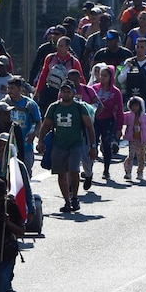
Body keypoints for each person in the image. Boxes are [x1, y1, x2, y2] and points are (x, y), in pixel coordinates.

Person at [35, 81, 97, 213]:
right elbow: (46, 125)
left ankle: (74, 197)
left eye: (68, 91)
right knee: (61, 174)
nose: (65, 93)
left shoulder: (80, 108)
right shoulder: (54, 107)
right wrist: (40, 141)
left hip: (75, 144)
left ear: (74, 93)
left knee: (74, 171)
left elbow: (89, 127)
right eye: (63, 91)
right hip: (58, 145)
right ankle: (67, 201)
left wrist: (93, 146)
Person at [34, 36, 83, 116]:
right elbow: (43, 75)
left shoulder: (74, 62)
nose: (59, 48)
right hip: (48, 91)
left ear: (67, 47)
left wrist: (81, 93)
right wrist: (38, 91)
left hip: (65, 93)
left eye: (61, 46)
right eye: (58, 45)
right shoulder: (50, 58)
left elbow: (80, 79)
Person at [117, 37, 146, 118]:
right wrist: (127, 68)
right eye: (137, 47)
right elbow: (120, 80)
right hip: (132, 99)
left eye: (142, 47)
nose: (139, 49)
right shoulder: (129, 61)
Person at [3, 77, 41, 171]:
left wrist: (34, 134)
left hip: (26, 146)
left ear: (20, 89)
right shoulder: (5, 103)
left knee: (25, 172)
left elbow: (38, 122)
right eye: (8, 88)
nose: (9, 91)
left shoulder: (30, 105)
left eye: (12, 88)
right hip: (8, 145)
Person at [119, 97, 146, 182]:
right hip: (132, 140)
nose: (134, 108)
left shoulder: (145, 117)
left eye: (136, 106)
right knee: (131, 156)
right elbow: (121, 119)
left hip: (142, 140)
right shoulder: (128, 115)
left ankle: (140, 173)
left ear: (141, 106)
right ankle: (128, 172)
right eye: (132, 106)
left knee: (141, 157)